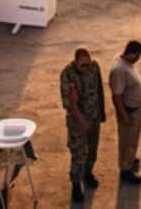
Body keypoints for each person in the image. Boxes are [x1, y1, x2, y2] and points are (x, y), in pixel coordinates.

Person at [60, 48, 106, 202]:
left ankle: (88, 174)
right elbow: (70, 105)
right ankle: (76, 185)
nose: (86, 68)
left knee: (92, 150)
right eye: (82, 65)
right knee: (78, 154)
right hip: (77, 123)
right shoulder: (67, 74)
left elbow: (99, 90)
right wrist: (82, 123)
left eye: (88, 64)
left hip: (93, 118)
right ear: (75, 62)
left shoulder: (95, 67)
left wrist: (101, 114)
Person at [110, 40, 141, 184]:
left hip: (135, 109)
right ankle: (125, 169)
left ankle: (130, 160)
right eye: (138, 55)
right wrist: (124, 115)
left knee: (133, 139)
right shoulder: (119, 70)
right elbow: (116, 95)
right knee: (127, 141)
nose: (138, 59)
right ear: (131, 54)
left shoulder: (126, 63)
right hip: (128, 112)